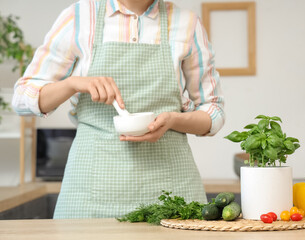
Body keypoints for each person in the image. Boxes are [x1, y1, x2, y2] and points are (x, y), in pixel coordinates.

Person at [12, 0, 225, 219]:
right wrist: (73, 83)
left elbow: (213, 110)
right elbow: (22, 98)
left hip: (172, 188)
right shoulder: (79, 17)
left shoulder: (187, 23)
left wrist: (173, 120)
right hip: (91, 189)